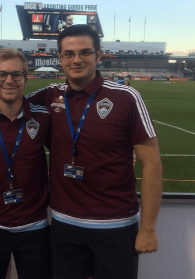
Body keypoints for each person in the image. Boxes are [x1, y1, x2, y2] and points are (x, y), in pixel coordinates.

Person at [27, 25, 163, 279]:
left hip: (115, 226)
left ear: (99, 55)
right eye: (68, 54)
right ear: (60, 58)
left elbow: (152, 163)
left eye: (85, 52)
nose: (76, 59)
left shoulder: (127, 97)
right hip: (64, 224)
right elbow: (10, 102)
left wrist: (148, 229)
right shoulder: (50, 96)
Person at [0, 48, 52, 279]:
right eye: (2, 74)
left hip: (34, 226)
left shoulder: (44, 118)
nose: (9, 80)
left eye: (16, 74)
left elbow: (73, 149)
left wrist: (125, 153)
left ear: (26, 78)